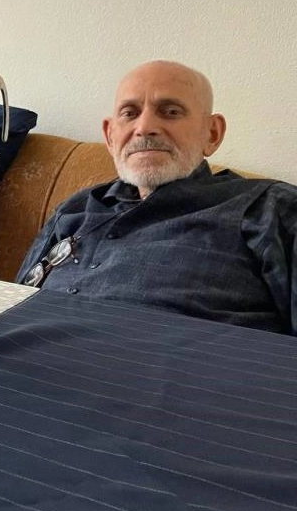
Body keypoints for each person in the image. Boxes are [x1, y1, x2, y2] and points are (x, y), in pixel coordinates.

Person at [15, 60, 297, 336]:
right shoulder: (76, 208)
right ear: (110, 136)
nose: (145, 127)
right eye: (129, 113)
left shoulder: (269, 207)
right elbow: (11, 306)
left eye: (171, 112)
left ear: (212, 134)